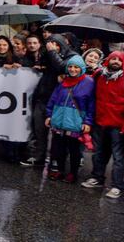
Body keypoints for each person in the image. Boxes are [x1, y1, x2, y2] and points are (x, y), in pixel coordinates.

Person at [80, 51, 124, 198]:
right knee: (98, 153)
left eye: (119, 60)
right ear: (108, 60)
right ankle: (97, 178)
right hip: (100, 122)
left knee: (118, 158)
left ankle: (117, 185)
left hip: (118, 125)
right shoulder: (98, 75)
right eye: (113, 58)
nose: (116, 62)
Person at [45, 55, 94, 183]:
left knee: (74, 150)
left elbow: (91, 105)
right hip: (59, 120)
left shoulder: (89, 83)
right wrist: (49, 115)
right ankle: (59, 170)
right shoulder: (63, 82)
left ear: (82, 68)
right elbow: (53, 99)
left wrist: (87, 122)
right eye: (70, 66)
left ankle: (73, 173)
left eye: (76, 67)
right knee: (58, 148)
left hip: (75, 122)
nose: (73, 69)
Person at [20, 34, 61, 168]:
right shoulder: (42, 59)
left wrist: (53, 53)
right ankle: (39, 156)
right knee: (39, 130)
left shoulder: (60, 60)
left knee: (56, 135)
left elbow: (59, 68)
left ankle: (55, 160)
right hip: (41, 99)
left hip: (55, 102)